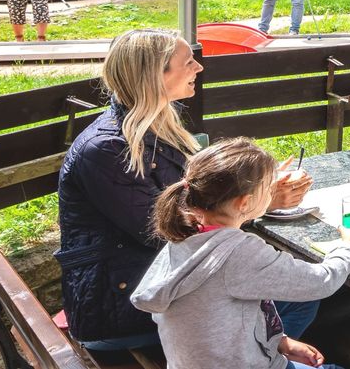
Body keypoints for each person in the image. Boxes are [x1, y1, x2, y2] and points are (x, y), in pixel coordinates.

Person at [55, 28, 313, 352]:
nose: (199, 68)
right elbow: (167, 231)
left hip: (160, 281)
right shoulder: (107, 149)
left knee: (292, 287)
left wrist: (258, 189)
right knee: (299, 297)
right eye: (188, 62)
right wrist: (261, 202)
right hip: (122, 305)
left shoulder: (158, 125)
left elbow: (196, 197)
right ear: (154, 75)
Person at [132, 138, 350, 369]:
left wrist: (280, 341)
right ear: (244, 203)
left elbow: (220, 317)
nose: (273, 190)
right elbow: (321, 281)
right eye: (268, 187)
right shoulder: (241, 253)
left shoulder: (184, 234)